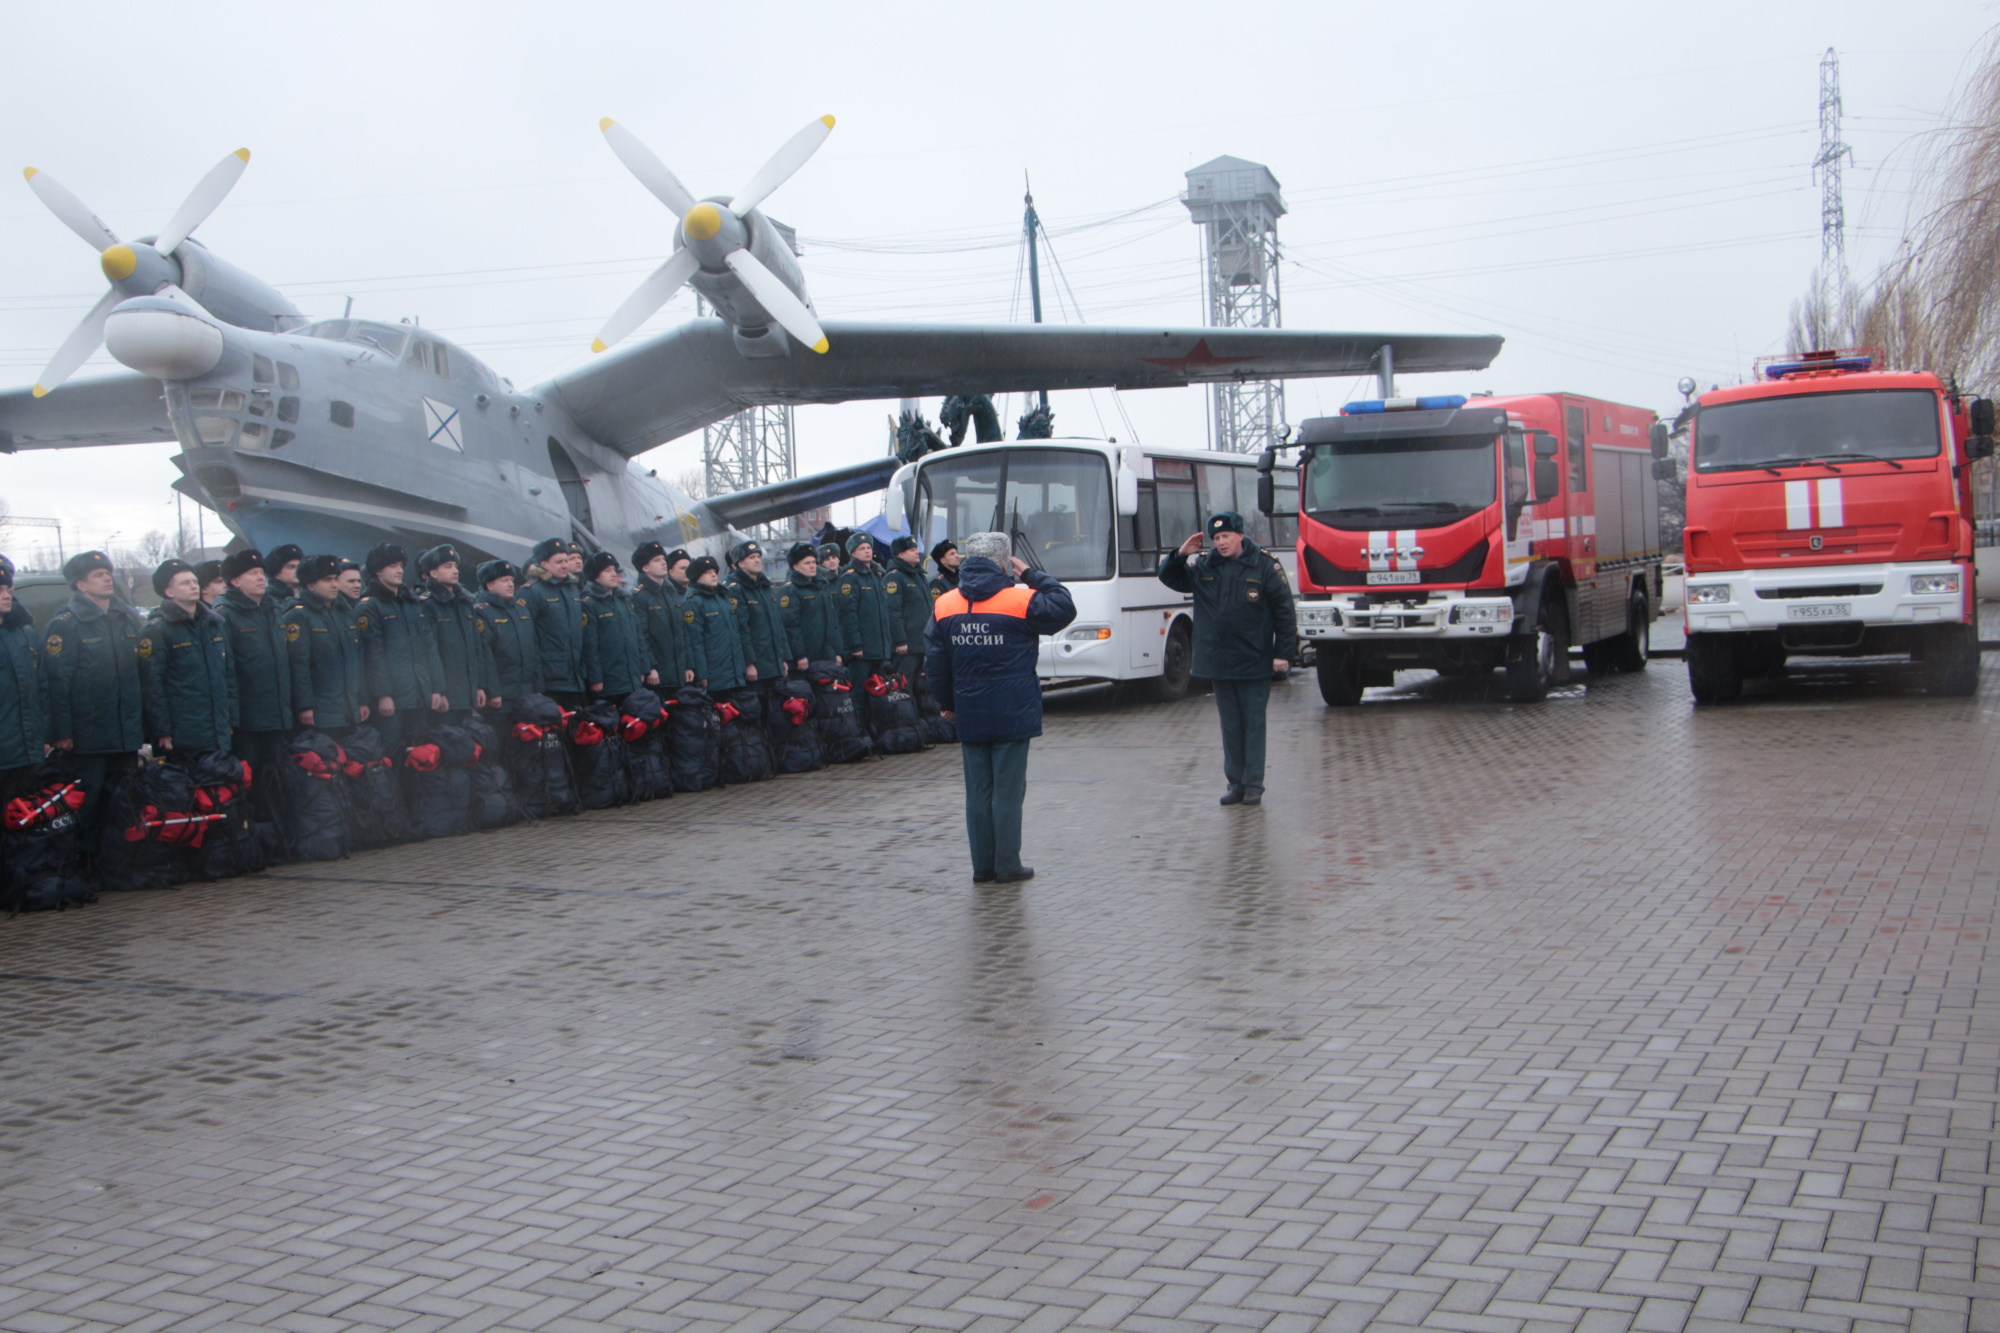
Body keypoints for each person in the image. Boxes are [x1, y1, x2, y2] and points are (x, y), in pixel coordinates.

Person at [924, 531, 1075, 884]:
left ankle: (983, 867)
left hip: (969, 708)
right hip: (1012, 707)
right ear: (1004, 561)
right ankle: (1007, 865)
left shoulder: (946, 603)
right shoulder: (1020, 600)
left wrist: (947, 703)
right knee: (1008, 789)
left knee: (978, 790)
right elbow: (1064, 606)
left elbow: (935, 661)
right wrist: (1032, 575)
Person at [1158, 511, 1297, 806]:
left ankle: (1253, 785)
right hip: (1220, 661)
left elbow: (1284, 610)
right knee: (1231, 726)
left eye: (1226, 537)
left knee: (1253, 724)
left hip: (1254, 659)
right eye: (1217, 538)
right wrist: (1181, 554)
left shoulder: (1264, 565)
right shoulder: (1205, 565)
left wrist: (1283, 653)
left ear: (1240, 536)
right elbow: (1169, 576)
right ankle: (1235, 783)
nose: (1221, 543)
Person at [41, 550, 145, 842]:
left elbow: (138, 674)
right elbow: (57, 682)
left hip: (124, 731)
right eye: (98, 575)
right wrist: (62, 731)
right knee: (88, 801)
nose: (107, 578)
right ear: (80, 585)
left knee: (123, 801)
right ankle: (81, 864)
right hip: (89, 734)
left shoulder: (125, 618)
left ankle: (116, 864)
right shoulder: (65, 624)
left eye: (107, 572)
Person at [214, 548, 291, 830]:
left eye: (261, 572)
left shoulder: (273, 610)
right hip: (248, 718)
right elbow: (227, 673)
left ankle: (277, 833)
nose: (261, 577)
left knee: (276, 776)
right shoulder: (225, 616)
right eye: (252, 573)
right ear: (235, 581)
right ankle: (254, 835)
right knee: (251, 778)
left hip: (276, 714)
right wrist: (232, 718)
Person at [138, 559, 236, 755]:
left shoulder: (213, 624)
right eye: (184, 583)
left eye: (194, 581)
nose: (193, 586)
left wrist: (230, 719)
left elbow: (228, 675)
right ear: (169, 592)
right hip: (181, 732)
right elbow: (152, 685)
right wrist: (161, 730)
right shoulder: (157, 630)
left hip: (217, 728)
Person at [356, 542, 444, 751]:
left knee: (420, 754)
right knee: (391, 752)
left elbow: (429, 648)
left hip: (419, 695)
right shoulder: (369, 606)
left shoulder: (413, 604)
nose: (399, 570)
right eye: (392, 565)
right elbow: (372, 655)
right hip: (392, 700)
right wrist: (383, 695)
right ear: (377, 570)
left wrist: (437, 688)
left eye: (401, 565)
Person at [282, 554, 369, 736]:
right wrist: (304, 706)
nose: (334, 585)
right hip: (320, 712)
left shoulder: (344, 612)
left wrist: (362, 699)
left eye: (336, 579)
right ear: (310, 584)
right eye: (327, 580)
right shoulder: (298, 616)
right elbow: (299, 665)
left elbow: (357, 660)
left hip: (348, 708)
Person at [415, 545, 490, 722]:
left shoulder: (465, 603)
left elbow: (475, 647)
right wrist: (438, 690)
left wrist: (479, 686)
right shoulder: (426, 605)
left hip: (467, 693)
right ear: (433, 573)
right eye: (448, 566)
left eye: (455, 566)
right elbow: (429, 652)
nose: (455, 571)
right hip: (445, 696)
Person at [522, 538, 595, 706]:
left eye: (565, 561)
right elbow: (527, 640)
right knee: (552, 730)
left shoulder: (572, 589)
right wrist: (537, 682)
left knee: (573, 728)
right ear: (544, 564)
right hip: (550, 680)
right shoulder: (532, 592)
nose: (564, 565)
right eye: (558, 562)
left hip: (575, 677)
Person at [580, 551, 654, 704]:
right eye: (607, 571)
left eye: (614, 570)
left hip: (632, 679)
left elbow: (638, 636)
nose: (614, 574)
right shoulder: (589, 603)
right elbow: (589, 645)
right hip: (609, 683)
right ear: (596, 576)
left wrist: (643, 668)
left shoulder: (624, 599)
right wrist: (595, 679)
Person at [0, 557, 46, 788]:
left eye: (9, 588)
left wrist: (45, 735)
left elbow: (42, 687)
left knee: (24, 818)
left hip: (25, 751)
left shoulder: (26, 634)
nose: (7, 595)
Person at [471, 560, 538, 709]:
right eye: (504, 580)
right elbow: (484, 656)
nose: (510, 584)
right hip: (501, 696)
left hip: (527, 694)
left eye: (511, 580)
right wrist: (493, 692)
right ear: (490, 585)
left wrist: (538, 687)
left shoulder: (522, 611)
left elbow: (534, 650)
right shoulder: (481, 613)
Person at [725, 540, 787, 689]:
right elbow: (741, 630)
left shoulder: (765, 587)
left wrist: (783, 659)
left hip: (773, 663)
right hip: (756, 666)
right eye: (751, 557)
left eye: (758, 556)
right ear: (740, 563)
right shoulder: (735, 589)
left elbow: (777, 626)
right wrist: (749, 663)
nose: (757, 560)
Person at [632, 542, 692, 691]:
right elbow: (641, 637)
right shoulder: (639, 596)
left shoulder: (671, 592)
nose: (663, 562)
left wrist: (688, 665)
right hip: (658, 676)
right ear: (645, 567)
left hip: (679, 673)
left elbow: (682, 632)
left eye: (663, 558)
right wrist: (649, 668)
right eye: (656, 560)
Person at [836, 533, 898, 675]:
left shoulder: (876, 576)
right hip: (862, 650)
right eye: (862, 548)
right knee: (860, 693)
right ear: (853, 553)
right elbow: (848, 615)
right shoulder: (849, 578)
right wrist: (855, 645)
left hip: (879, 649)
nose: (867, 551)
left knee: (879, 692)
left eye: (869, 547)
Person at [682, 555, 746, 692]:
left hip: (734, 673)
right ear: (696, 577)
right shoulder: (693, 602)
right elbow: (695, 641)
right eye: (707, 572)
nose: (713, 575)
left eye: (714, 571)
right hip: (714, 675)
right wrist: (702, 674)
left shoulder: (723, 597)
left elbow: (735, 634)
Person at [783, 543, 840, 665]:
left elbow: (832, 623)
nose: (812, 566)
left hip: (827, 655)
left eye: (814, 562)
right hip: (805, 658)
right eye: (807, 563)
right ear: (796, 566)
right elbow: (791, 626)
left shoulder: (822, 586)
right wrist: (799, 655)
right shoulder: (790, 590)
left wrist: (837, 651)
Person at [885, 536, 932, 683]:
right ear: (900, 554)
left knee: (923, 688)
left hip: (921, 642)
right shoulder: (894, 577)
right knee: (904, 685)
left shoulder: (919, 575)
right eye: (912, 550)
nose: (917, 552)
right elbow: (892, 612)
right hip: (907, 646)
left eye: (916, 549)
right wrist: (900, 641)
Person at [264, 544, 305, 608]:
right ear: (277, 573)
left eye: (300, 566)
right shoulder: (266, 601)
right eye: (291, 567)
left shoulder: (313, 598)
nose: (298, 570)